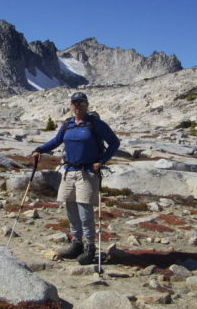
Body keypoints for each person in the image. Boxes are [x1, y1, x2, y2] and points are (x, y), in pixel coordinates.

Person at [32, 92, 120, 265]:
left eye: (81, 103)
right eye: (74, 103)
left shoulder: (95, 123)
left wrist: (101, 161)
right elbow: (56, 141)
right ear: (71, 106)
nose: (77, 106)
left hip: (87, 173)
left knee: (85, 211)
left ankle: (89, 247)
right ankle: (76, 243)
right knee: (71, 208)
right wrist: (40, 150)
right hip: (69, 171)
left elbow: (114, 142)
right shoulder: (68, 124)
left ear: (86, 105)